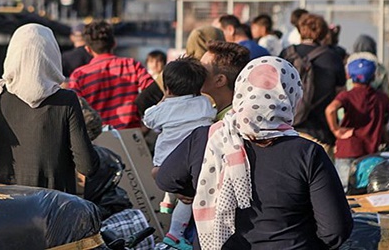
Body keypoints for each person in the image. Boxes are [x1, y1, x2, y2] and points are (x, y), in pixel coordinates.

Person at [156, 56, 353, 249]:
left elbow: (165, 179)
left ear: (241, 90)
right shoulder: (308, 153)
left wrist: (199, 188)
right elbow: (334, 231)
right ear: (291, 96)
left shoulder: (207, 139)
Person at [0, 23, 99, 194]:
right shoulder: (66, 100)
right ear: (51, 57)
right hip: (53, 210)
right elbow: (87, 167)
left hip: (5, 210)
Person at [143, 58, 216, 249]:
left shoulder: (163, 108)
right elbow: (210, 118)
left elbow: (148, 120)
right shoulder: (204, 104)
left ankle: (169, 208)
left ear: (167, 88)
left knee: (180, 192)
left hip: (163, 162)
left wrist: (163, 101)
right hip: (189, 164)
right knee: (187, 200)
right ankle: (175, 233)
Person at [326, 58, 389, 191]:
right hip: (370, 152)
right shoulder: (381, 97)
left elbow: (330, 109)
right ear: (374, 76)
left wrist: (336, 129)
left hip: (347, 149)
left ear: (349, 76)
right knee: (367, 189)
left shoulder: (346, 95)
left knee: (342, 190)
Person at [67, 21, 154, 129]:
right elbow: (153, 93)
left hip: (97, 138)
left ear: (88, 49)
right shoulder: (131, 65)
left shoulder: (78, 76)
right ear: (114, 43)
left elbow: (76, 111)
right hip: (130, 135)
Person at [280, 14, 346, 151]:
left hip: (286, 131)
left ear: (300, 30)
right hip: (321, 133)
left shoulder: (287, 54)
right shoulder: (332, 57)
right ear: (323, 32)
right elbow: (341, 94)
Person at [199, 41, 250, 121]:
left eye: (202, 69)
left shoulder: (231, 125)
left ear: (220, 80)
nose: (196, 71)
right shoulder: (213, 111)